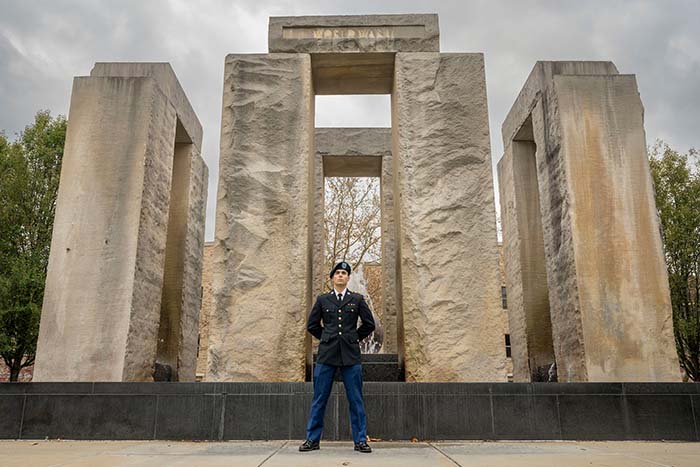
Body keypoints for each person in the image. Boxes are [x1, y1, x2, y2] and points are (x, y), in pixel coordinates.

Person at [299, 261, 375, 453]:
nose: (341, 275)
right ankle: (312, 439)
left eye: (344, 273)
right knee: (319, 398)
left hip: (350, 356)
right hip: (327, 355)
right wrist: (326, 337)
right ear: (332, 278)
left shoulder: (357, 299)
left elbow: (369, 324)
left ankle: (360, 440)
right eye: (338, 273)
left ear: (348, 278)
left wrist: (353, 338)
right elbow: (312, 325)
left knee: (356, 399)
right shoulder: (322, 300)